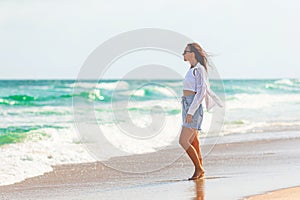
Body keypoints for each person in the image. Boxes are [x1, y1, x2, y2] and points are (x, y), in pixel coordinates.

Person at [179, 43, 223, 180]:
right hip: (187, 104)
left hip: (193, 106)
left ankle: (199, 168)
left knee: (183, 141)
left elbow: (201, 92)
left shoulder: (199, 70)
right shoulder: (192, 69)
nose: (183, 54)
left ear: (192, 53)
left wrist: (191, 111)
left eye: (185, 52)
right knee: (194, 141)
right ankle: (200, 170)